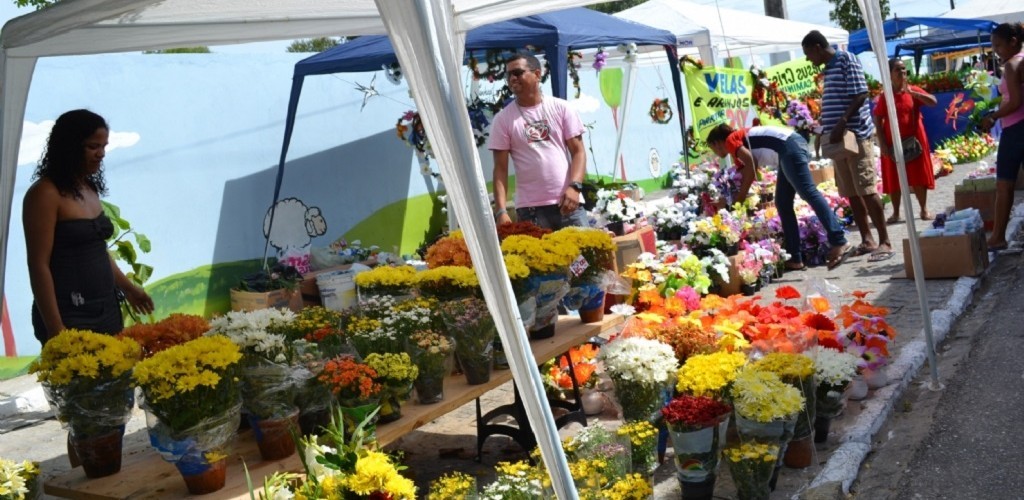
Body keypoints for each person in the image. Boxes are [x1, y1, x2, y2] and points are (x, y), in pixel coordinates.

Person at [23, 109, 154, 346]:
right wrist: (56, 328)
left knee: (116, 381)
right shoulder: (45, 194)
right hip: (69, 316)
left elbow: (98, 252)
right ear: (70, 146)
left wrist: (129, 289)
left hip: (107, 310)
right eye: (93, 146)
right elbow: (38, 264)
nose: (101, 154)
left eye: (104, 146)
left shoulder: (88, 188)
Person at [802, 30, 894, 263]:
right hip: (837, 139)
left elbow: (861, 94)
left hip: (855, 135)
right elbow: (833, 102)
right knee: (850, 191)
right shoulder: (829, 68)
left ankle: (884, 240)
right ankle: (867, 239)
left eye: (808, 54)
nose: (808, 59)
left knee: (866, 188)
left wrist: (842, 122)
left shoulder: (846, 59)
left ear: (817, 47)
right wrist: (823, 128)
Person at [706, 123, 851, 270]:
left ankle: (839, 240)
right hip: (788, 149)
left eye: (712, 148)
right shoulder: (737, 147)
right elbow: (743, 177)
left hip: (789, 147)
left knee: (808, 192)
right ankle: (795, 257)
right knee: (782, 203)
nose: (715, 153)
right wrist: (727, 199)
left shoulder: (731, 141)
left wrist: (741, 197)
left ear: (716, 143)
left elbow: (751, 164)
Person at [489, 53, 587, 230]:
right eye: (508, 74)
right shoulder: (502, 119)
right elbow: (500, 169)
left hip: (568, 203)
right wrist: (501, 211)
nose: (512, 78)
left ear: (537, 74)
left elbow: (578, 152)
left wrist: (575, 187)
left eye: (517, 72)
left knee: (584, 258)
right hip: (530, 210)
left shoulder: (562, 108)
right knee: (541, 258)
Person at [872, 58, 938, 224]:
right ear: (889, 73)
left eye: (904, 70)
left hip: (915, 140)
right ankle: (895, 213)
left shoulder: (912, 90)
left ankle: (923, 209)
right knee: (893, 178)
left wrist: (914, 94)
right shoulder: (885, 96)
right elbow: (878, 119)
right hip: (892, 142)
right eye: (898, 70)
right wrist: (882, 144)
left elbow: (933, 102)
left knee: (918, 176)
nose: (902, 73)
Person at [981, 23, 1024, 251]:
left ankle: (997, 237)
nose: (996, 50)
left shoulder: (1011, 65)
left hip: (1016, 128)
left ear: (1013, 41)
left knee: (1004, 184)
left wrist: (993, 116)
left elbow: (1016, 102)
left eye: (998, 45)